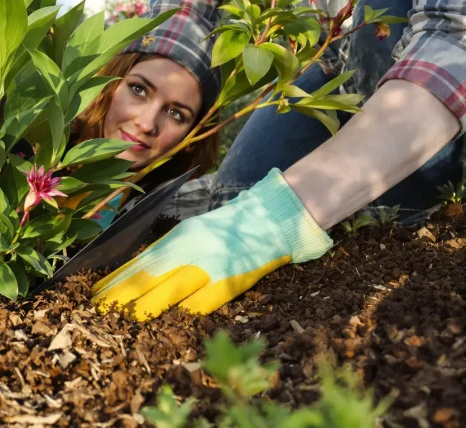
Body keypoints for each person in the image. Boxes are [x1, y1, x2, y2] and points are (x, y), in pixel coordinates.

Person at [91, 0, 466, 321]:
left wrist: (268, 219)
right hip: (343, 69)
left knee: (377, 226)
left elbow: (454, 45)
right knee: (234, 193)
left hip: (438, 99)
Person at [62, 0, 223, 226]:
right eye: (139, 90)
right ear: (110, 82)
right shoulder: (28, 149)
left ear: (192, 136)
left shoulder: (172, 217)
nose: (147, 124)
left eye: (176, 113)